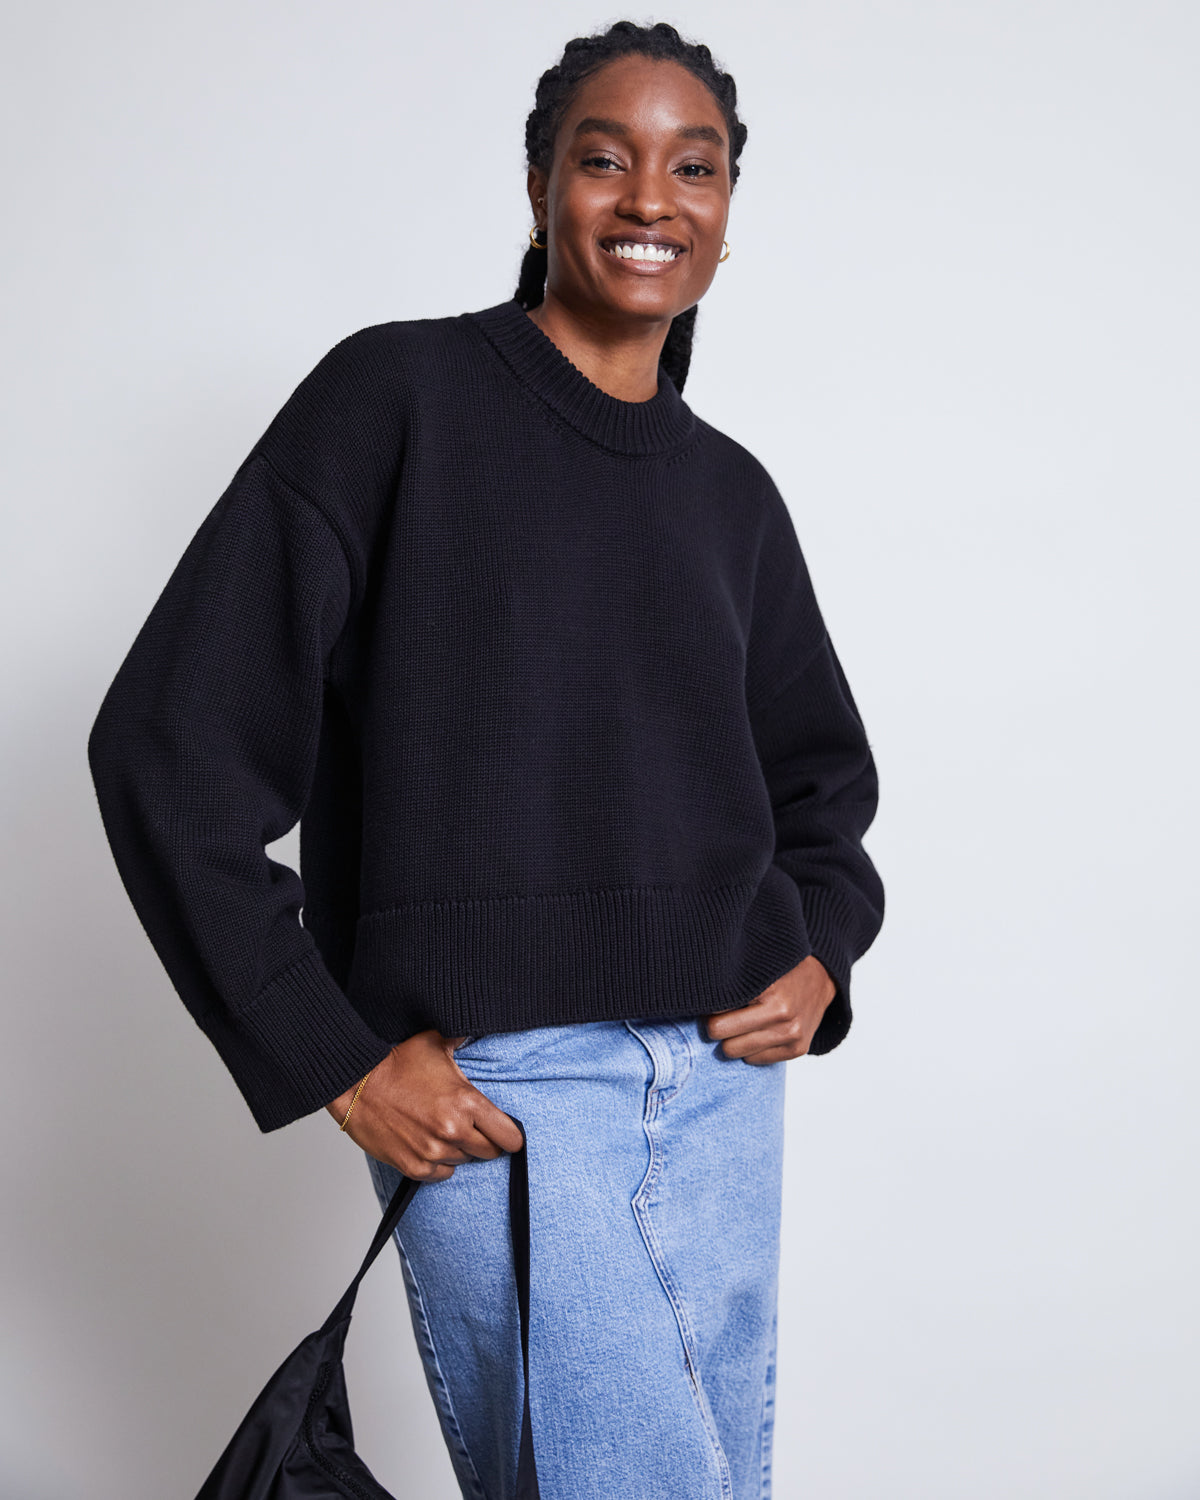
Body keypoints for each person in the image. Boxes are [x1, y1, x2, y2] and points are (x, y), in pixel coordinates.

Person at [87, 19, 885, 1500]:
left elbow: (826, 790)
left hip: (721, 1095)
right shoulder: (397, 403)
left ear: (726, 217)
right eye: (607, 157)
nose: (653, 197)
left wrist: (822, 946)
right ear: (537, 189)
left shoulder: (731, 497)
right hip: (515, 1099)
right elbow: (166, 748)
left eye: (693, 166)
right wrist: (327, 1054)